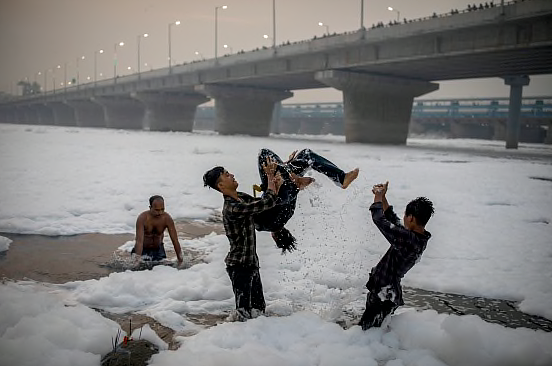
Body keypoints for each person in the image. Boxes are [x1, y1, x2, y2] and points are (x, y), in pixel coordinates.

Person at [202, 158, 282, 321]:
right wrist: (269, 176)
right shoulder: (232, 207)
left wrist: (276, 181)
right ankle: (235, 341)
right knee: (243, 314)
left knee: (259, 310)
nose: (231, 175)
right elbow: (267, 201)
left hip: (251, 262)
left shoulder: (241, 198)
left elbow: (264, 204)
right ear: (221, 186)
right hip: (239, 266)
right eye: (226, 175)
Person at [359, 181, 434, 330]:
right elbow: (391, 218)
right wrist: (383, 197)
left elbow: (379, 219)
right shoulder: (417, 237)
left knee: (366, 333)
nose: (404, 218)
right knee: (373, 333)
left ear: (411, 218)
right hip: (387, 294)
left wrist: (378, 197)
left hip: (384, 296)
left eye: (406, 216)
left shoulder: (408, 239)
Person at [254, 148, 359, 253]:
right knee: (264, 154)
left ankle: (341, 178)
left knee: (306, 156)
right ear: (274, 237)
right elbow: (253, 208)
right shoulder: (261, 225)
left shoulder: (288, 215)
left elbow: (291, 195)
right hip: (279, 189)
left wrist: (294, 179)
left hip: (289, 188)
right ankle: (340, 178)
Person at [132, 195, 183, 265]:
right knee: (140, 269)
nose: (160, 212)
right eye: (157, 210)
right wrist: (137, 260)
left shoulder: (167, 219)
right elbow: (139, 241)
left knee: (163, 270)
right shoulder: (143, 218)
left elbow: (175, 241)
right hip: (143, 249)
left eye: (162, 209)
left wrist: (180, 260)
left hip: (158, 250)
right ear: (150, 208)